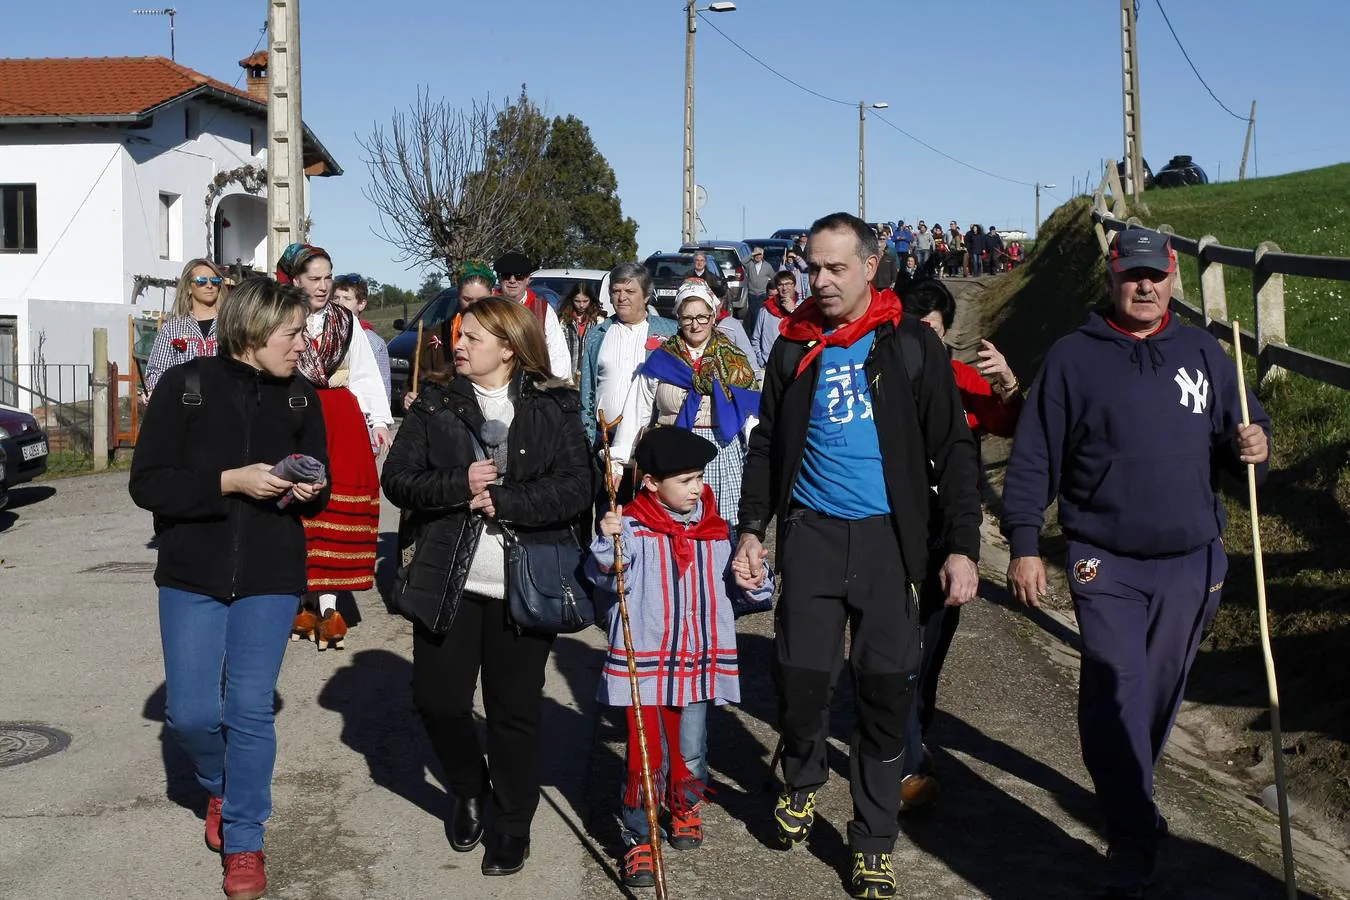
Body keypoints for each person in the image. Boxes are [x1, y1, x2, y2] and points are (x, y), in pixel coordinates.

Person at [1001, 228, 1271, 899]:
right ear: (1112, 278)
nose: (1144, 286)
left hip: (1191, 559)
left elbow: (1240, 445)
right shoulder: (1072, 359)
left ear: (1173, 276)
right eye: (1132, 275)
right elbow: (1035, 457)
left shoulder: (1207, 353)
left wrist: (1253, 443)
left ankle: (1127, 789)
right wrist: (1027, 543)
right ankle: (1132, 831)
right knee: (1117, 685)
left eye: (1155, 274)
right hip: (1104, 559)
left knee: (1155, 693)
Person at [733, 212, 981, 900]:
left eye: (836, 268)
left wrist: (961, 546)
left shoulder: (907, 346)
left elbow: (954, 451)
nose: (821, 280)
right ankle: (803, 779)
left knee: (881, 694)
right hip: (811, 533)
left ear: (871, 267)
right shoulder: (792, 346)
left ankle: (872, 839)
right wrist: (752, 529)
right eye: (814, 267)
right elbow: (766, 446)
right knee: (801, 679)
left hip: (887, 543)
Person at [129, 277, 330, 900]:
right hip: (192, 573)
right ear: (253, 329)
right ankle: (220, 786)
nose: (302, 344)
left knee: (247, 708)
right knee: (189, 714)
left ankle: (245, 838)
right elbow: (148, 485)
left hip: (270, 574)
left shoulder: (302, 399)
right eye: (292, 332)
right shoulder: (185, 387)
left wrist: (307, 489)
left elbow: (317, 482)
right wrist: (228, 482)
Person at [381, 296, 592, 878]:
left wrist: (507, 500)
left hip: (524, 585)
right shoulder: (435, 403)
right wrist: (458, 482)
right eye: (458, 335)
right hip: (447, 575)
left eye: (473, 337)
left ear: (508, 345)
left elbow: (577, 489)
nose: (459, 345)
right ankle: (470, 788)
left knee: (513, 711)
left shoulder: (555, 404)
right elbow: (396, 480)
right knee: (437, 700)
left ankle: (511, 821)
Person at [587, 427, 774, 888]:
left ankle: (684, 804)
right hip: (646, 664)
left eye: (699, 477)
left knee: (690, 748)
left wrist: (755, 576)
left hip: (695, 661)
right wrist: (606, 545)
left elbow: (746, 593)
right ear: (650, 482)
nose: (697, 488)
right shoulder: (629, 527)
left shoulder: (718, 532)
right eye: (686, 479)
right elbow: (609, 582)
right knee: (646, 754)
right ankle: (639, 837)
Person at [894, 278, 1023, 812]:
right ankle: (904, 759)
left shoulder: (963, 377)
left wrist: (1010, 384)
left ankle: (914, 730)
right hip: (892, 526)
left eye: (932, 329)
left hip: (949, 532)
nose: (923, 338)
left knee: (932, 646)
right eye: (914, 327)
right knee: (897, 646)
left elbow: (1013, 424)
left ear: (945, 332)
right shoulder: (881, 373)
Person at [276, 243, 392, 650]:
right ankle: (300, 600)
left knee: (334, 504)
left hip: (339, 418)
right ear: (295, 279)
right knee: (299, 509)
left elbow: (363, 374)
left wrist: (378, 420)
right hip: (293, 412)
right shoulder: (280, 317)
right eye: (314, 278)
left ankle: (328, 606)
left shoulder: (345, 321)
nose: (324, 286)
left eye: (328, 277)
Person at [610, 278, 759, 546]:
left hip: (721, 453)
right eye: (687, 317)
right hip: (673, 453)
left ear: (713, 316)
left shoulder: (733, 359)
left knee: (721, 529)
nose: (695, 324)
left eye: (702, 317)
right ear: (677, 318)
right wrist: (618, 461)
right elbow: (638, 410)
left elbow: (750, 413)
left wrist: (759, 454)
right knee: (673, 529)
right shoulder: (662, 359)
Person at [404, 260, 499, 411]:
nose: (473, 306)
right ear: (458, 294)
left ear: (493, 294)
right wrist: (410, 398)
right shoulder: (434, 337)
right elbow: (415, 382)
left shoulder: (503, 334)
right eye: (467, 299)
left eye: (481, 300)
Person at [143, 258, 229, 397]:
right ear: (189, 287)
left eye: (215, 281)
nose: (209, 286)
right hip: (185, 406)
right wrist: (154, 391)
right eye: (202, 281)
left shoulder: (231, 324)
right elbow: (157, 371)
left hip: (223, 403)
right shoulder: (173, 328)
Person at [493, 251, 572, 380]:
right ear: (499, 278)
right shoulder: (489, 308)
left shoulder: (543, 310)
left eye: (519, 276)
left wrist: (553, 387)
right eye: (507, 276)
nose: (512, 281)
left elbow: (557, 354)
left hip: (533, 385)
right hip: (495, 383)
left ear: (528, 279)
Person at [333, 273, 392, 402]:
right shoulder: (323, 335)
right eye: (336, 297)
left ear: (361, 304)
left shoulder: (373, 343)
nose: (339, 303)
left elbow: (383, 391)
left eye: (347, 298)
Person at [751, 269, 802, 368]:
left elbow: (806, 333)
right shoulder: (766, 310)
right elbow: (755, 338)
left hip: (795, 365)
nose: (784, 288)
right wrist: (762, 360)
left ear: (794, 285)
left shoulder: (803, 307)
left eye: (788, 284)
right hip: (770, 365)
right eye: (780, 284)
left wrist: (793, 311)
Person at [558, 281, 606, 382]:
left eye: (585, 301)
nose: (581, 305)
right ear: (571, 300)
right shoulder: (563, 321)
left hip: (590, 374)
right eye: (577, 301)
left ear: (591, 300)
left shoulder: (598, 321)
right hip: (567, 375)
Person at [744, 245, 776, 326]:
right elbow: (742, 261)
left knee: (758, 313)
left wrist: (770, 289)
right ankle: (751, 331)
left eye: (759, 254)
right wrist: (752, 254)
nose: (757, 256)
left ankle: (757, 329)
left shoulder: (767, 266)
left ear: (762, 255)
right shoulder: (750, 264)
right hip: (752, 294)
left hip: (762, 294)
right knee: (752, 314)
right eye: (756, 255)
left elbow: (773, 277)